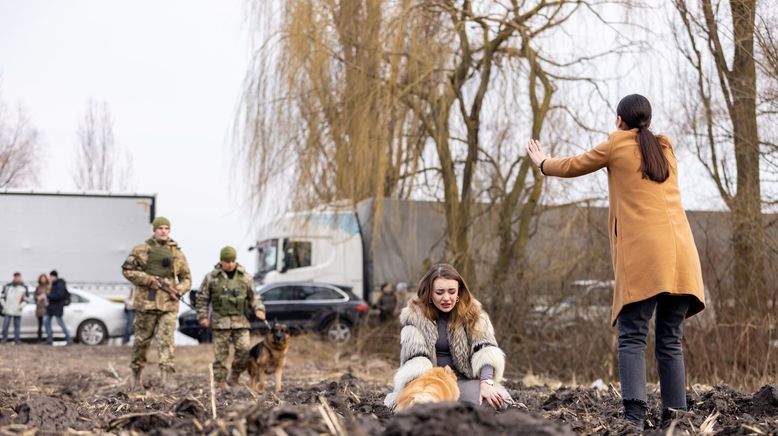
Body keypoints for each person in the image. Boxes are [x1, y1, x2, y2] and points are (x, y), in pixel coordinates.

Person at [525, 94, 705, 429]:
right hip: (683, 256)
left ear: (619, 120)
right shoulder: (665, 148)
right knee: (669, 337)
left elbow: (573, 165)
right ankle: (676, 417)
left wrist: (542, 162)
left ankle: (635, 417)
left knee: (632, 334)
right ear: (648, 121)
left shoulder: (616, 145)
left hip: (647, 257)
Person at [384, 263, 510, 410]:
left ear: (459, 291)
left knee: (490, 403)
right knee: (420, 408)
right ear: (429, 293)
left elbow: (486, 351)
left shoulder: (474, 315)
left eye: (451, 291)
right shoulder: (414, 318)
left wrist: (486, 383)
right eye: (440, 292)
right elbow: (416, 359)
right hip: (431, 381)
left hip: (464, 381)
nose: (446, 298)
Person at [121, 216, 192, 387]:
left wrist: (179, 290)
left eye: (166, 228)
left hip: (168, 304)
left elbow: (186, 278)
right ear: (154, 230)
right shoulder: (141, 250)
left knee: (166, 341)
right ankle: (136, 375)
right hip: (147, 303)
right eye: (160, 228)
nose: (163, 231)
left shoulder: (177, 254)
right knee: (141, 341)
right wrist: (148, 280)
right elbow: (127, 270)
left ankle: (167, 377)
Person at [197, 246, 266, 387]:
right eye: (227, 261)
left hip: (240, 322)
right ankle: (220, 382)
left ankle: (234, 377)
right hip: (219, 322)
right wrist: (203, 317)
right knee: (220, 355)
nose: (230, 264)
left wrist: (259, 309)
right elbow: (202, 298)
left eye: (232, 261)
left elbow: (254, 297)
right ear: (221, 261)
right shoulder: (211, 277)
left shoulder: (245, 277)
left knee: (244, 351)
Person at [45, 270, 73, 345]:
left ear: (54, 276)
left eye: (51, 276)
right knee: (46, 322)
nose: (50, 278)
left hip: (57, 307)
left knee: (60, 323)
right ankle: (49, 339)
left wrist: (48, 296)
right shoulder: (53, 284)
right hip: (51, 307)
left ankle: (69, 339)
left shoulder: (60, 284)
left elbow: (59, 295)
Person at [1, 272, 29, 344]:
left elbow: (27, 299)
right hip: (8, 309)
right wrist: (4, 305)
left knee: (17, 326)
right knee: (5, 325)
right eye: (16, 277)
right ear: (14, 277)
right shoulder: (7, 286)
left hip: (17, 310)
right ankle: (4, 339)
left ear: (20, 277)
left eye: (19, 277)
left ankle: (17, 340)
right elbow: (2, 297)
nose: (17, 278)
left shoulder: (24, 287)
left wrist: (20, 306)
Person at [34, 273, 50, 342]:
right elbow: (34, 296)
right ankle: (39, 338)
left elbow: (51, 296)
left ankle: (49, 338)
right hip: (39, 308)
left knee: (47, 324)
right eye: (41, 278)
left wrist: (46, 297)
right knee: (40, 324)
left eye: (44, 278)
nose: (43, 279)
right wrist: (37, 297)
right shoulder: (38, 287)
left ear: (46, 279)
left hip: (46, 308)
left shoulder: (48, 287)